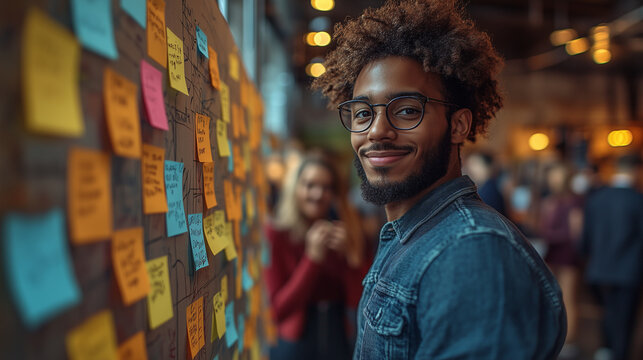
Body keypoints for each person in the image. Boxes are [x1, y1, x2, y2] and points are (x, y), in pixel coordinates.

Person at [312, 1, 566, 358]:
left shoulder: (472, 251)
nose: (377, 131)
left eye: (407, 110)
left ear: (458, 125)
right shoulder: (410, 236)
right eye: (362, 113)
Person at [264, 154, 368, 360]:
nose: (318, 194)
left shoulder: (345, 229)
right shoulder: (276, 232)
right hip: (294, 343)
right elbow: (276, 311)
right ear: (295, 187)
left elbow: (360, 302)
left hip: (338, 337)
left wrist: (352, 259)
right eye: (309, 185)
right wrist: (312, 260)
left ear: (336, 193)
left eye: (327, 187)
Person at [580, 154, 643, 360]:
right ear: (635, 171)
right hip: (628, 271)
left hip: (598, 269)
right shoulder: (638, 200)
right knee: (624, 320)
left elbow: (585, 238)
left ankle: (605, 351)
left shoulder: (596, 198)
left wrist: (586, 260)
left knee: (605, 314)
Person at [539, 162, 583, 358]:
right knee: (552, 295)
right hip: (552, 250)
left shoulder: (573, 202)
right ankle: (555, 337)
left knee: (568, 297)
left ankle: (568, 341)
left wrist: (552, 235)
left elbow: (576, 232)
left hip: (566, 252)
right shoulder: (551, 200)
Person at [463, 151, 507, 216]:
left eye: (475, 164)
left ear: (487, 167)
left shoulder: (489, 191)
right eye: (469, 165)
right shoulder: (486, 187)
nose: (470, 169)